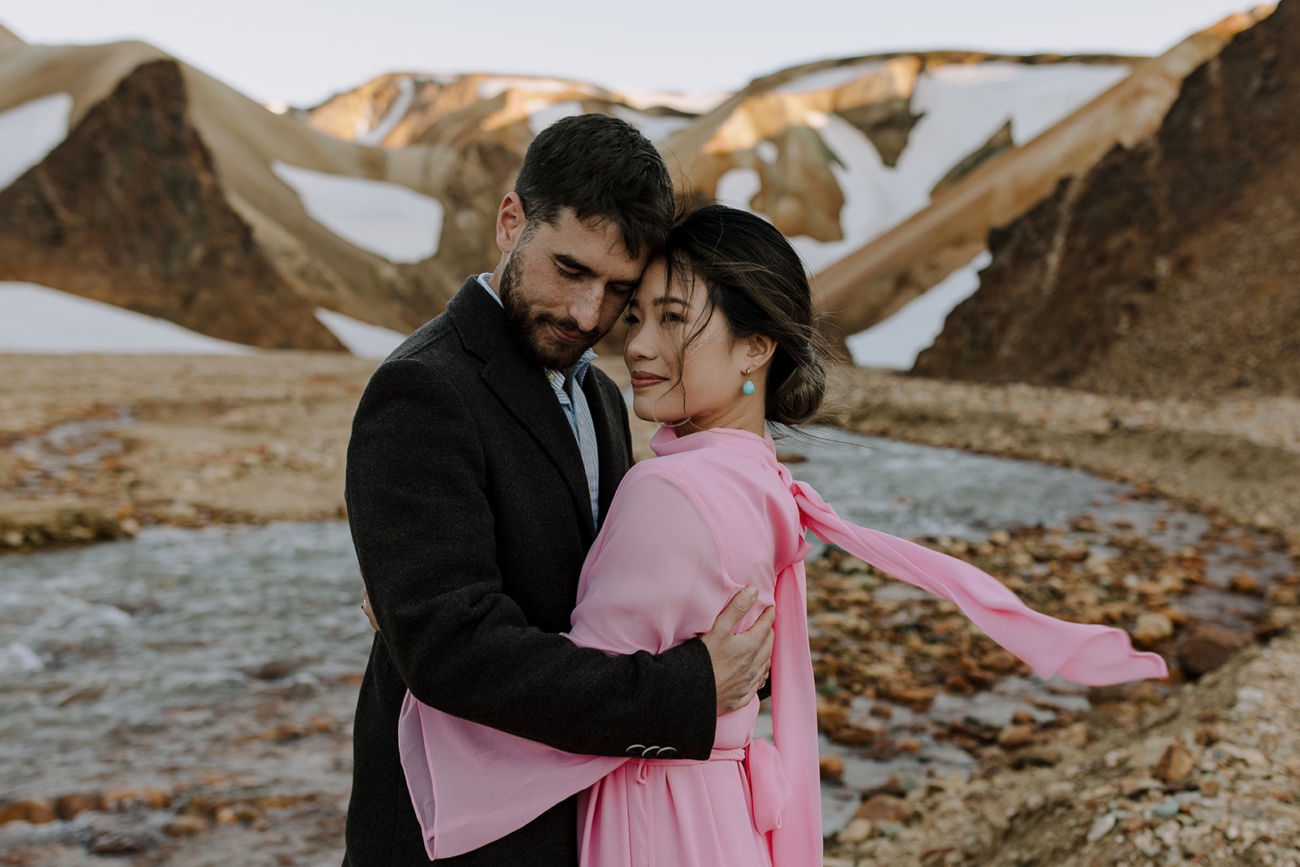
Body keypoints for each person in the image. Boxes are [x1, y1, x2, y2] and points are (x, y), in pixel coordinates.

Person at [394, 205, 1170, 865]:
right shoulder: (758, 476)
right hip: (720, 808)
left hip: (653, 819)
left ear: (756, 346)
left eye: (673, 320)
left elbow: (573, 707)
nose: (635, 346)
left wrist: (412, 630)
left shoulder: (666, 489)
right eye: (638, 317)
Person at [342, 117, 776, 866]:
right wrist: (686, 693)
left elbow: (609, 592)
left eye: (618, 291)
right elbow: (453, 652)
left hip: (563, 820)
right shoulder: (422, 390)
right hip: (448, 841)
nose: (588, 315)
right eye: (570, 270)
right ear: (512, 222)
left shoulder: (604, 398)